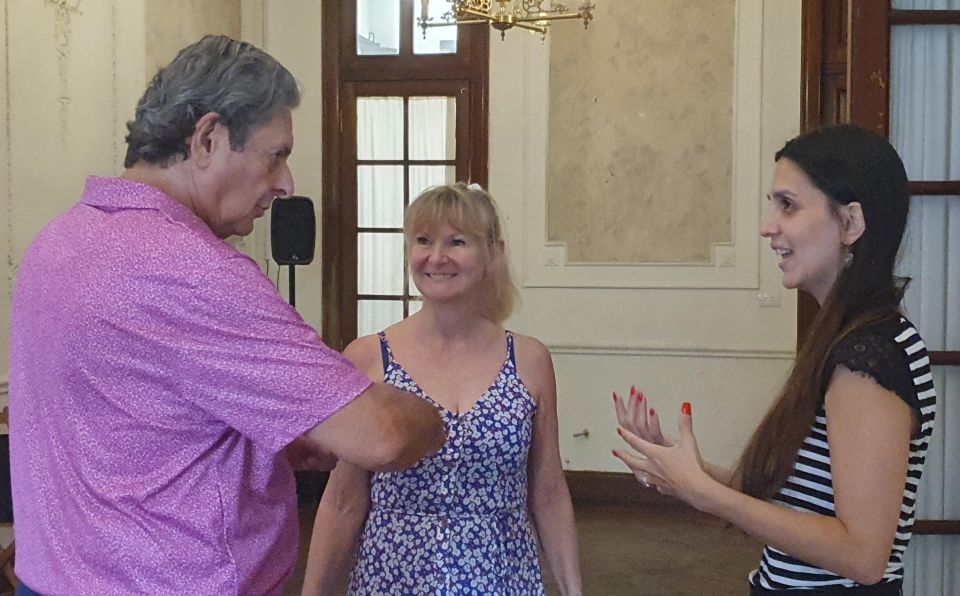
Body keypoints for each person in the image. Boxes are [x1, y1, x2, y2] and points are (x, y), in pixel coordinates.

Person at [8, 35, 444, 595]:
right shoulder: (195, 271)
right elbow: (382, 437)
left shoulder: (59, 241)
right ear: (208, 138)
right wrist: (431, 418)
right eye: (276, 155)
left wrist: (272, 436)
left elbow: (131, 425)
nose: (286, 184)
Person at [613, 124, 936, 595]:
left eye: (788, 205)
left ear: (851, 223)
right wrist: (688, 473)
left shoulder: (869, 354)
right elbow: (804, 507)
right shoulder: (847, 338)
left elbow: (864, 556)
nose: (768, 226)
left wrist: (707, 496)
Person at [301, 183, 582, 595]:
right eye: (423, 240)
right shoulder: (368, 358)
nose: (436, 257)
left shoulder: (530, 360)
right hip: (395, 578)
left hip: (501, 577)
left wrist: (574, 591)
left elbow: (549, 492)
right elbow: (343, 500)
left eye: (457, 242)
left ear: (493, 253)